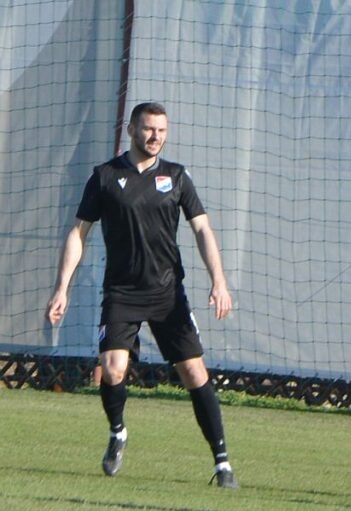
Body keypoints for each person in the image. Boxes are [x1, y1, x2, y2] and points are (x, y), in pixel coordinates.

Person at [46, 101, 238, 488]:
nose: (155, 137)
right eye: (149, 129)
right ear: (132, 129)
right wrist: (61, 288)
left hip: (167, 294)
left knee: (194, 372)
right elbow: (78, 234)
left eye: (161, 130)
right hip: (122, 292)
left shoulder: (177, 176)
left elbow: (202, 229)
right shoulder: (105, 176)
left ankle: (222, 464)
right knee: (113, 368)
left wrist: (219, 281)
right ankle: (118, 432)